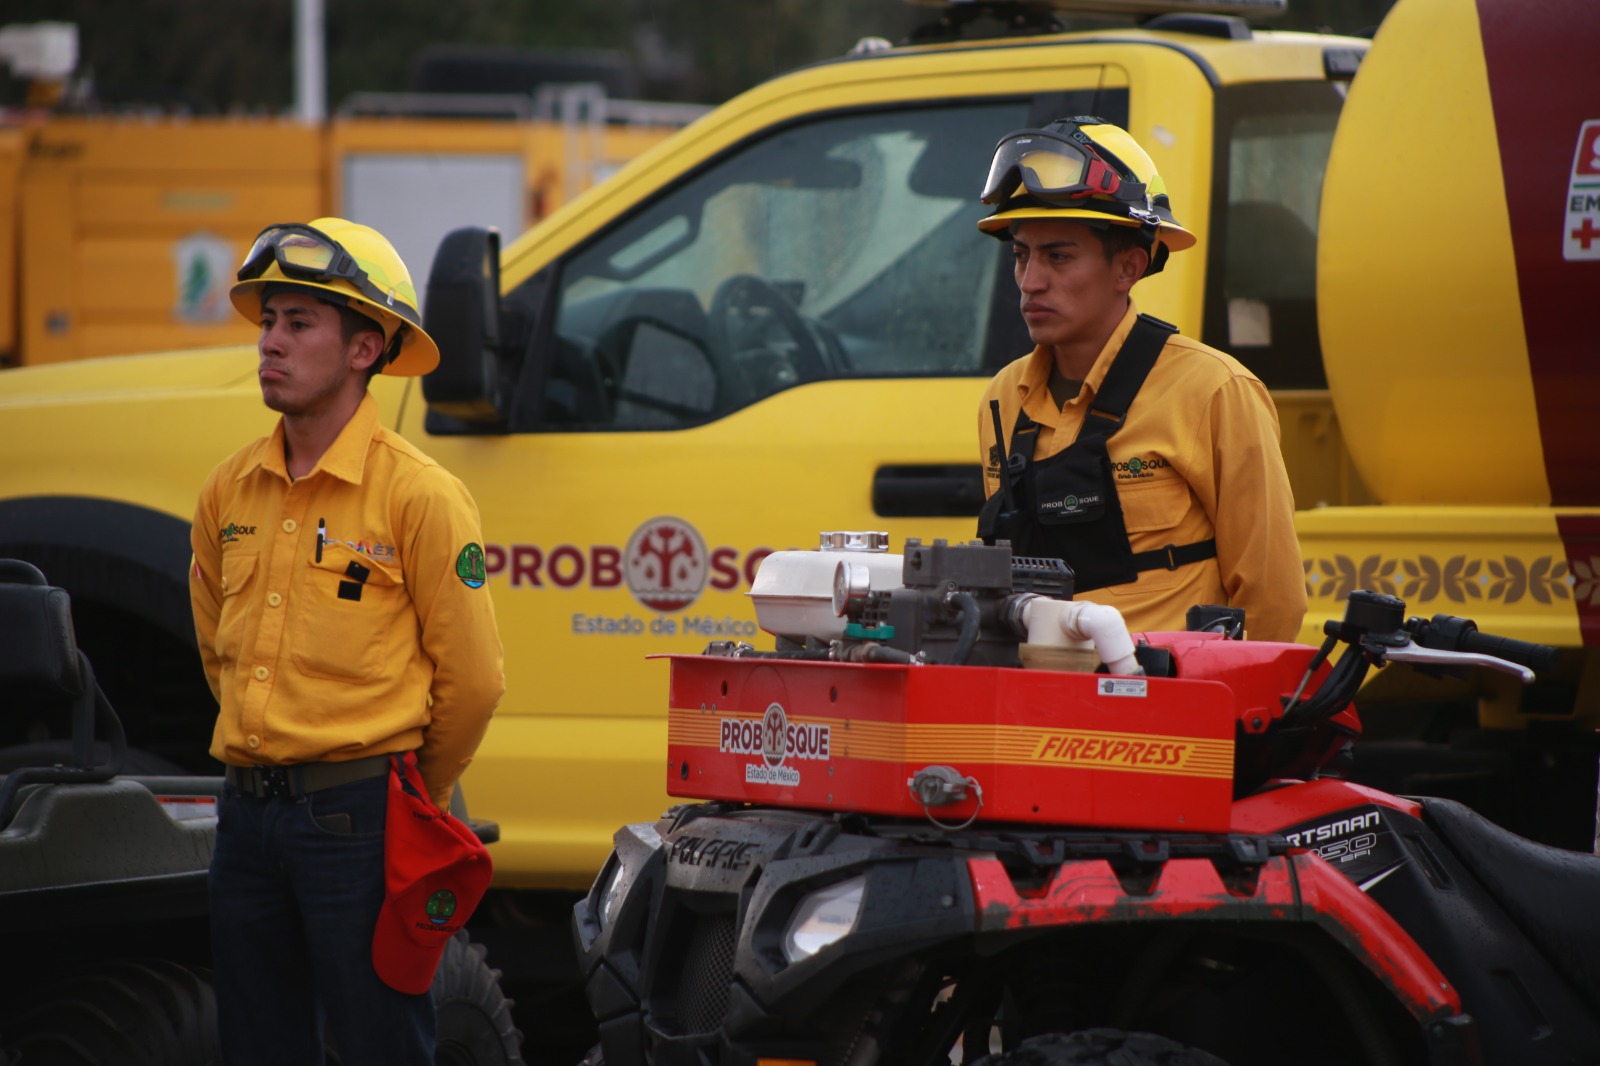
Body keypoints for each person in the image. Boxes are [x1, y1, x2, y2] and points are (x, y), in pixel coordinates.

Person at [189, 217, 505, 1064]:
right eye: (267, 323)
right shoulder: (228, 490)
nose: (272, 345)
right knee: (258, 1045)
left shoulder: (422, 498)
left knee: (379, 1044)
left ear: (365, 350)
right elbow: (218, 646)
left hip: (362, 822)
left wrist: (405, 794)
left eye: (299, 324)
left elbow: (472, 683)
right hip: (246, 821)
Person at [975, 118, 1306, 643]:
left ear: (1128, 268)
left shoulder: (1214, 391)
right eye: (1021, 255)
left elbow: (1274, 597)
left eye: (1058, 256)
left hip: (1163, 712)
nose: (1030, 281)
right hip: (1034, 708)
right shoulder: (1003, 398)